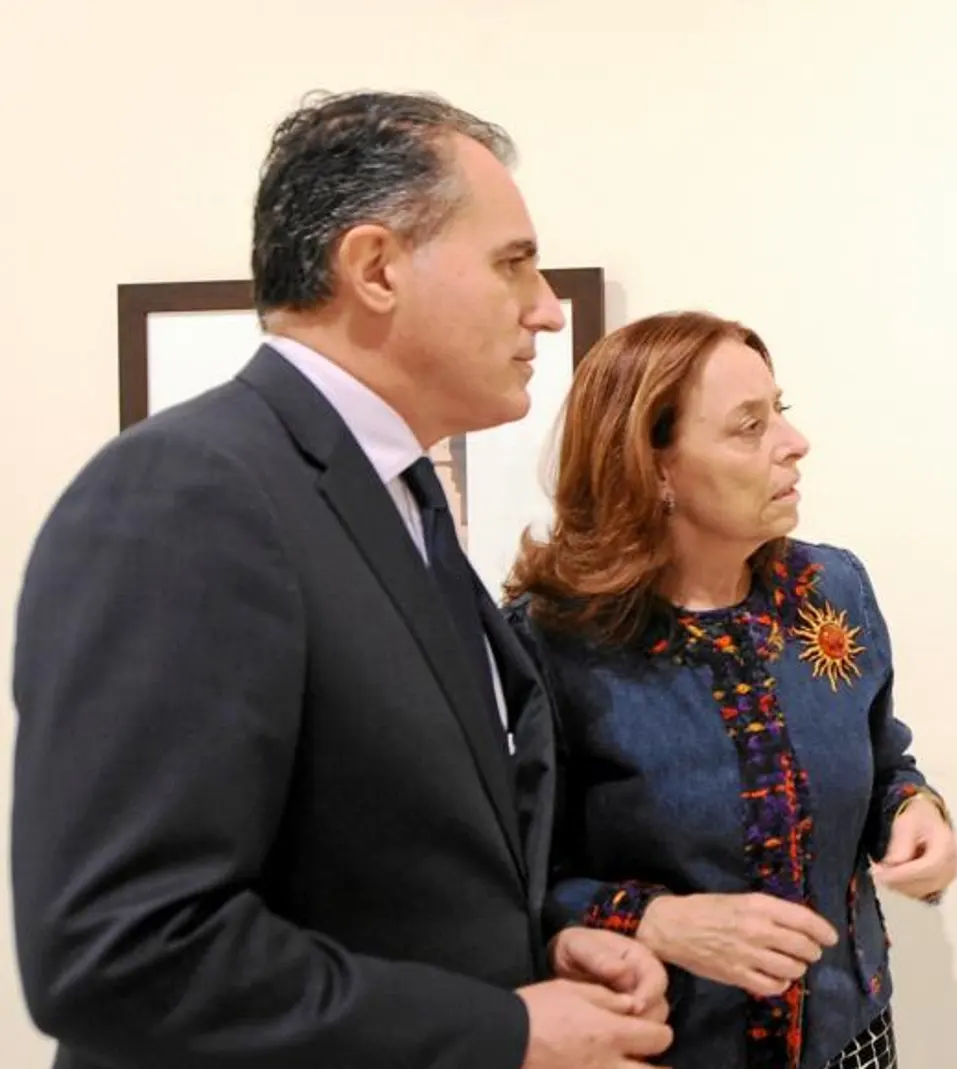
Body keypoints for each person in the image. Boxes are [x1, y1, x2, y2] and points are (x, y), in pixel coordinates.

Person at [11, 91, 674, 1069]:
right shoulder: (188, 494)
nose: (546, 307)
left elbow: (377, 870)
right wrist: (503, 1028)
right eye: (512, 263)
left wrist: (529, 956)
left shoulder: (397, 502)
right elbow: (121, 949)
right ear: (374, 268)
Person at [502, 311, 957, 1068]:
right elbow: (512, 882)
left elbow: (884, 765)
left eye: (780, 410)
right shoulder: (550, 642)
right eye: (749, 426)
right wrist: (655, 921)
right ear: (652, 465)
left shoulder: (832, 589)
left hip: (852, 1039)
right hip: (653, 1049)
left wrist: (916, 811)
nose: (792, 442)